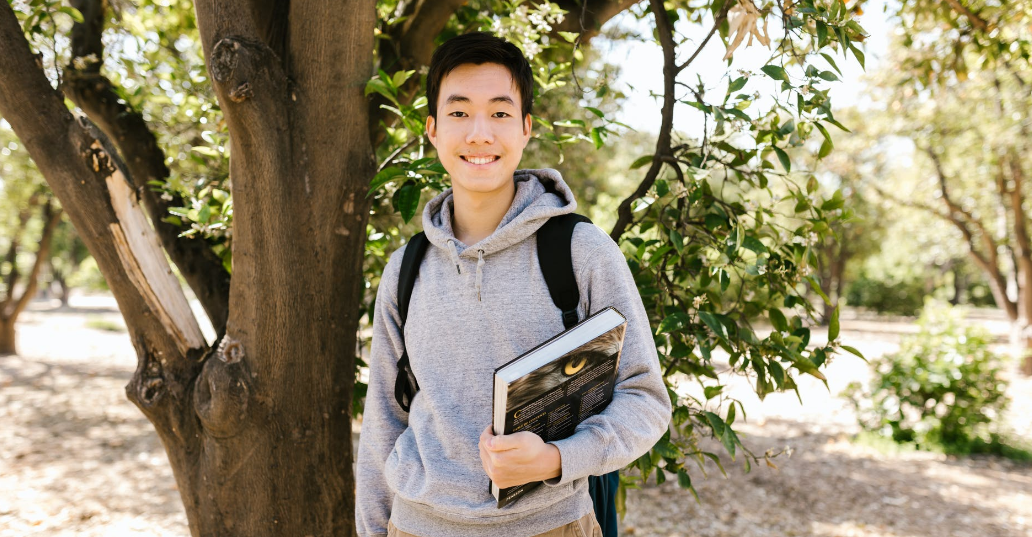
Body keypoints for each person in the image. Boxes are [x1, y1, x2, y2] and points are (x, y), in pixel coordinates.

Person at [355, 32, 671, 537]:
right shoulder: (406, 268)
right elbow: (383, 424)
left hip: (551, 527)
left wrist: (555, 459)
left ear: (525, 129)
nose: (479, 133)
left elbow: (645, 398)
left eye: (499, 113)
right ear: (432, 130)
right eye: (459, 113)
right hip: (417, 527)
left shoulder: (579, 251)